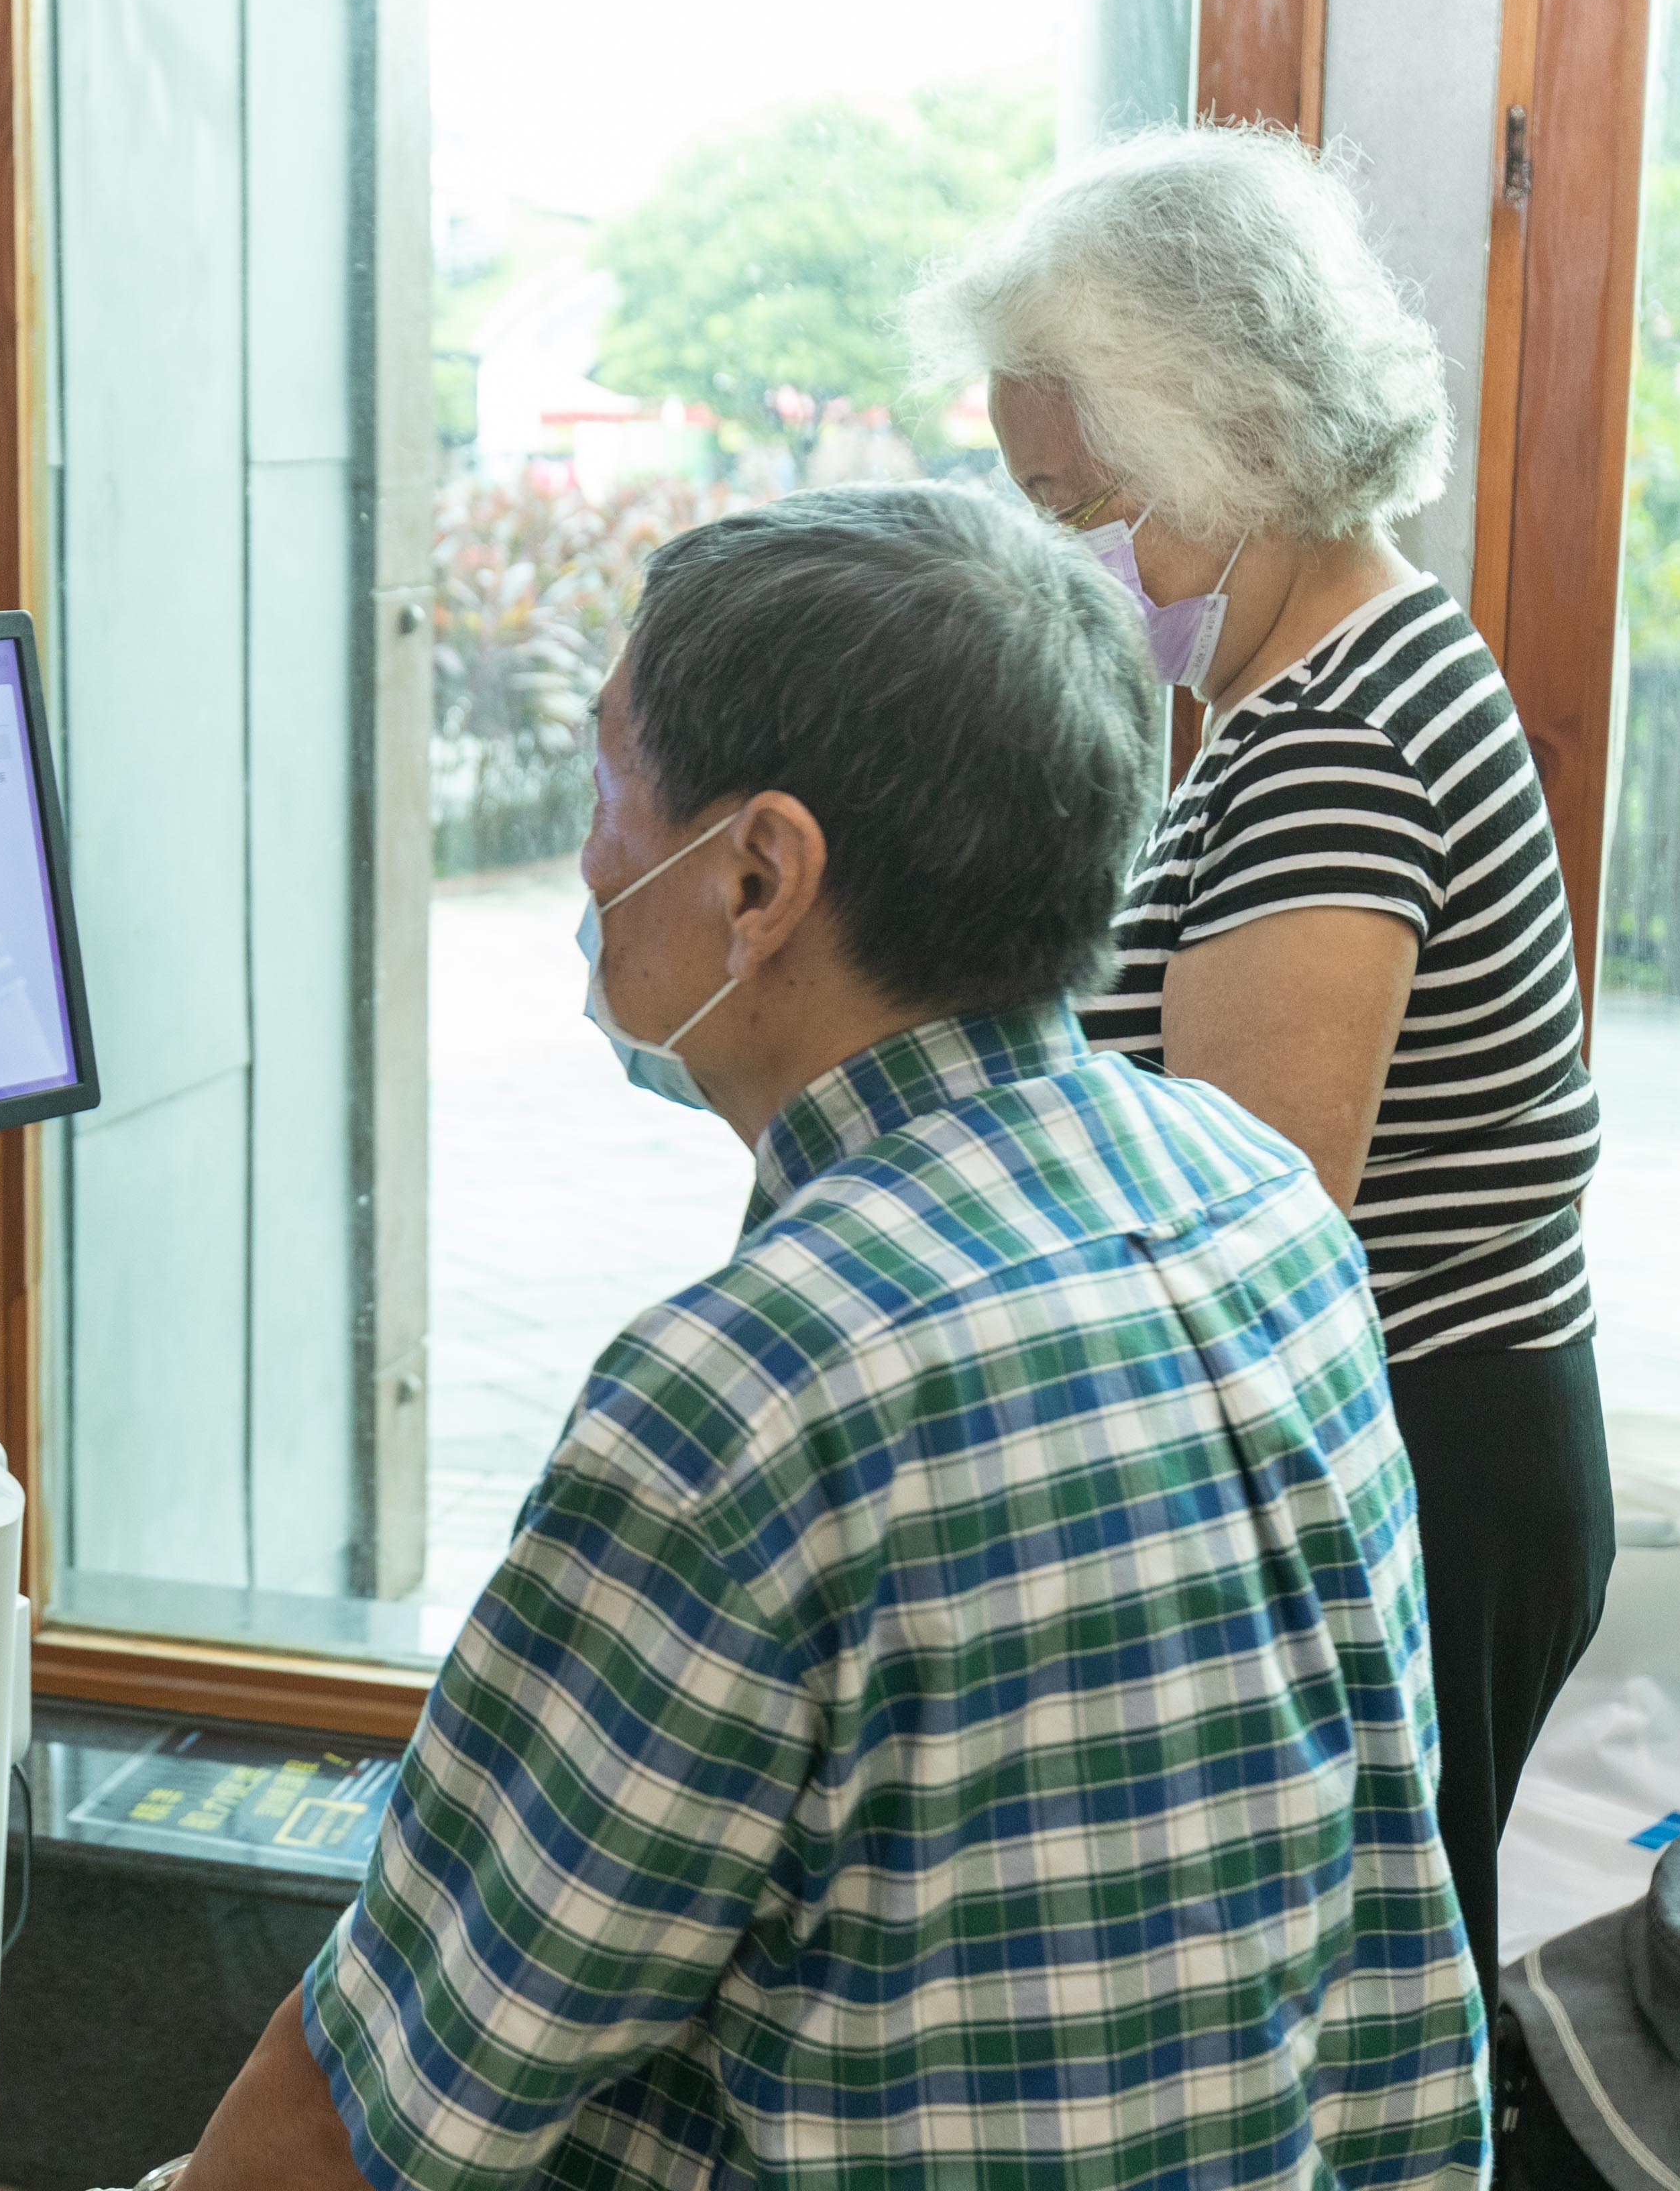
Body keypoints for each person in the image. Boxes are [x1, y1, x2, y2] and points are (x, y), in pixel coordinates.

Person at [148, 486, 1481, 2191]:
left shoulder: (749, 1397)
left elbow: (398, 2086)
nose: (588, 863)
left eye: (607, 790)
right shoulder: (1262, 1208)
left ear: (760, 875)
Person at [909, 125, 1610, 1976]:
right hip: (1462, 1428)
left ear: (1230, 444)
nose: (1064, 559)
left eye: (1078, 506)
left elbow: (1247, 1226)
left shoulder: (1332, 744)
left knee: (1369, 2005)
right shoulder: (1343, 672)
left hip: (1435, 1452)